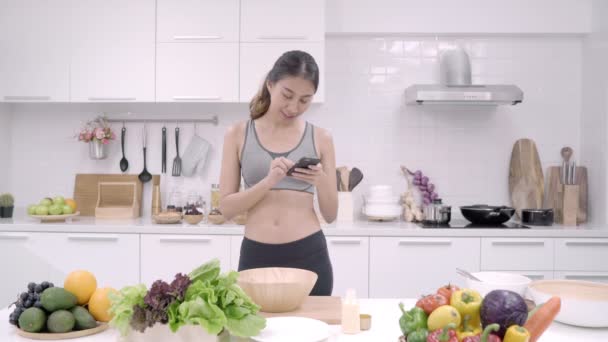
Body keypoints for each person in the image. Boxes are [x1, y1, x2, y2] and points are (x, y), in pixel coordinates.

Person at [218, 50, 338, 296]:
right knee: (257, 334)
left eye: (305, 100)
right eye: (287, 95)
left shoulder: (322, 138)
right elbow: (226, 208)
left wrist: (322, 180)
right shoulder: (238, 134)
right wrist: (268, 182)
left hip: (309, 255)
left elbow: (331, 214)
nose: (294, 107)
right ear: (270, 84)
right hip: (257, 255)